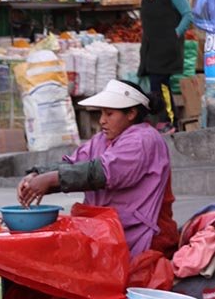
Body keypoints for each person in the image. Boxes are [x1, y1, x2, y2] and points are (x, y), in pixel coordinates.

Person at [16, 79, 176, 257]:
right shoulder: (102, 139)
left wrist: (50, 179)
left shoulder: (144, 139)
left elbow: (102, 172)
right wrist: (36, 174)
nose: (102, 121)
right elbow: (74, 163)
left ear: (131, 113)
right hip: (107, 230)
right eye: (101, 113)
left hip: (140, 235)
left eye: (109, 114)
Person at [136, 0, 194, 130]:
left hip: (167, 47)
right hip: (151, 46)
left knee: (161, 84)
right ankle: (163, 119)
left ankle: (168, 120)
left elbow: (187, 15)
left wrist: (175, 34)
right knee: (155, 84)